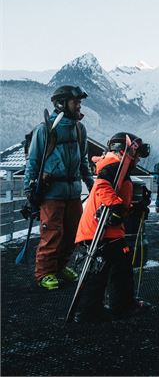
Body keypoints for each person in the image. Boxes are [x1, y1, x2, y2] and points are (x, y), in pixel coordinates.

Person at [72, 132, 152, 322]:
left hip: (104, 228)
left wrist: (132, 208)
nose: (138, 158)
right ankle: (105, 309)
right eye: (136, 153)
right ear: (125, 150)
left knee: (113, 267)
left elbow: (113, 197)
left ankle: (102, 308)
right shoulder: (114, 164)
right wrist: (116, 206)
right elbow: (101, 186)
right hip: (99, 229)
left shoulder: (117, 166)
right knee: (110, 269)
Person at [24, 85, 94, 290]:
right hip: (52, 192)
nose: (79, 105)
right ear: (62, 104)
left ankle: (60, 267)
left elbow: (84, 161)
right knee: (52, 232)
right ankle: (44, 273)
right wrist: (30, 191)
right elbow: (33, 161)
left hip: (73, 191)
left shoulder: (80, 129)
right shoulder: (45, 130)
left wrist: (91, 184)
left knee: (74, 233)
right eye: (76, 102)